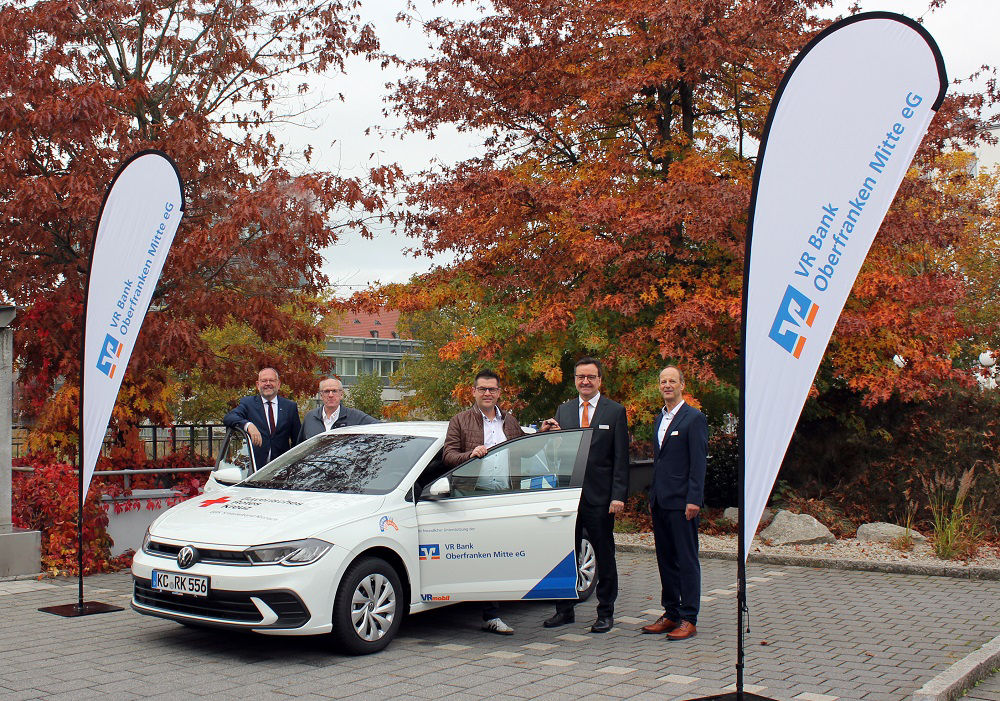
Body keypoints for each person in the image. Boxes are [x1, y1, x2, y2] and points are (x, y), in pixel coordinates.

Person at [539, 357, 628, 634]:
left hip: (601, 497)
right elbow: (556, 454)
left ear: (600, 380)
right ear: (575, 380)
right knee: (565, 552)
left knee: (604, 553)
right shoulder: (564, 411)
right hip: (568, 497)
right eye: (580, 377)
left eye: (590, 377)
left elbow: (621, 458)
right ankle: (564, 610)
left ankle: (605, 612)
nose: (585, 381)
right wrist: (547, 436)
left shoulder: (614, 411)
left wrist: (618, 496)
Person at [443, 369, 525, 635]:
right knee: (482, 554)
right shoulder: (460, 420)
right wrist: (471, 454)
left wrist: (543, 432)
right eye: (483, 389)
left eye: (492, 389)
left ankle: (498, 608)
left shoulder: (510, 421)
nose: (488, 393)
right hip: (473, 497)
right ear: (474, 392)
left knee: (502, 553)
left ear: (499, 393)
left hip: (505, 496)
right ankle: (489, 614)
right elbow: (448, 456)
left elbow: (524, 447)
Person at [640, 365, 707, 641]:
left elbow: (698, 463)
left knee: (687, 560)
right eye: (663, 381)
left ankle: (689, 618)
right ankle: (671, 613)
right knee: (666, 559)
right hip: (661, 501)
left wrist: (694, 499)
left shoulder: (694, 418)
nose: (667, 385)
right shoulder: (660, 419)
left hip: (683, 504)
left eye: (672, 381)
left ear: (682, 385)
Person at [223, 367, 301, 467]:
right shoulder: (248, 403)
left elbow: (297, 440)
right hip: (255, 470)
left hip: (282, 471)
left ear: (278, 384)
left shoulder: (290, 407)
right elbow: (229, 417)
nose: (267, 383)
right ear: (257, 384)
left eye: (271, 380)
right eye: (264, 381)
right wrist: (248, 425)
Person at [299, 377, 379, 441]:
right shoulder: (310, 417)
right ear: (321, 395)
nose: (330, 395)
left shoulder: (356, 417)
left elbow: (382, 428)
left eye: (334, 391)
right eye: (326, 391)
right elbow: (300, 448)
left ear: (341, 394)